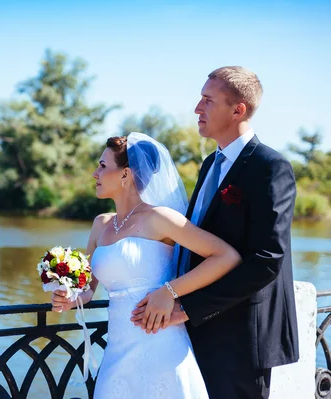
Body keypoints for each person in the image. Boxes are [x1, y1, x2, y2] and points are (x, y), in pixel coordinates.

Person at [132, 66, 299, 399]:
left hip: (241, 337)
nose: (197, 109)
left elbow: (267, 260)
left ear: (238, 110)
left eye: (207, 100)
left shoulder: (270, 167)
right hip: (198, 330)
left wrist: (189, 307)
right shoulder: (211, 164)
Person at [51, 132, 242, 398]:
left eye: (103, 166)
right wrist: (69, 297)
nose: (95, 173)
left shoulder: (160, 218)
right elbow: (87, 290)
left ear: (125, 174)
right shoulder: (100, 225)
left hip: (162, 344)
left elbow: (226, 256)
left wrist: (170, 291)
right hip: (117, 351)